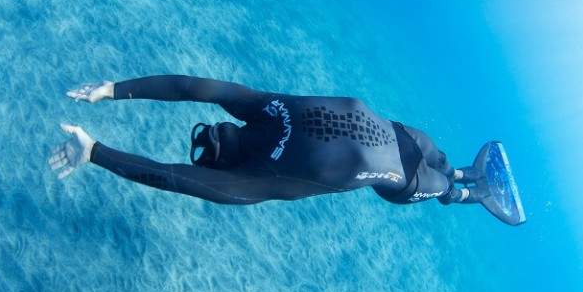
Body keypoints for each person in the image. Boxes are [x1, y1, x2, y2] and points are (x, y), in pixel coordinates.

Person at [49, 75, 490, 208]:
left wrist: (114, 91)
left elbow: (190, 89)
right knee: (445, 188)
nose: (214, 135)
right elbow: (172, 178)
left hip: (405, 137)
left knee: (446, 167)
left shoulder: (262, 109)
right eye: (212, 144)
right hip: (404, 175)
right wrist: (95, 150)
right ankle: (468, 191)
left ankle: (460, 176)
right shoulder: (259, 176)